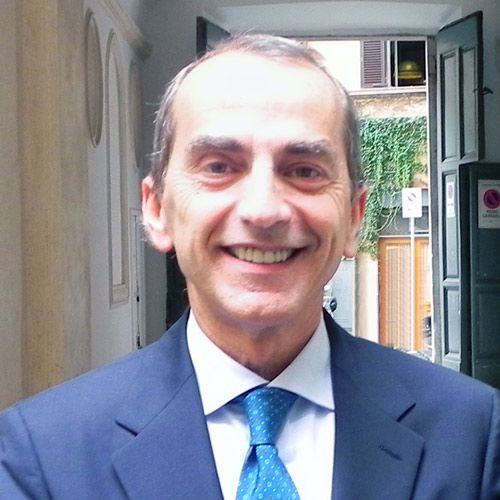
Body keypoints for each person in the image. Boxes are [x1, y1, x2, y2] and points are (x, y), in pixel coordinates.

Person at [1, 34, 499, 500]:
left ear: (353, 218)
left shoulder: (472, 434)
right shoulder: (43, 454)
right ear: (156, 210)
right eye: (218, 166)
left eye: (304, 171)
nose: (263, 211)